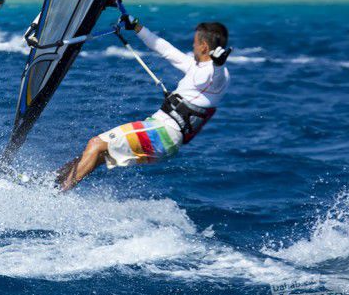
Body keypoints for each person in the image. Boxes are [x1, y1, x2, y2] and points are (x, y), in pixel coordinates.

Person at [55, 14, 232, 191]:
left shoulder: (218, 74)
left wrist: (219, 65)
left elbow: (215, 78)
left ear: (204, 46)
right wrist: (137, 28)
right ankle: (52, 183)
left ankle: (59, 194)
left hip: (164, 133)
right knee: (95, 155)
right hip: (162, 134)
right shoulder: (197, 67)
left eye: (195, 42)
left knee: (96, 144)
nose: (193, 46)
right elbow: (165, 49)